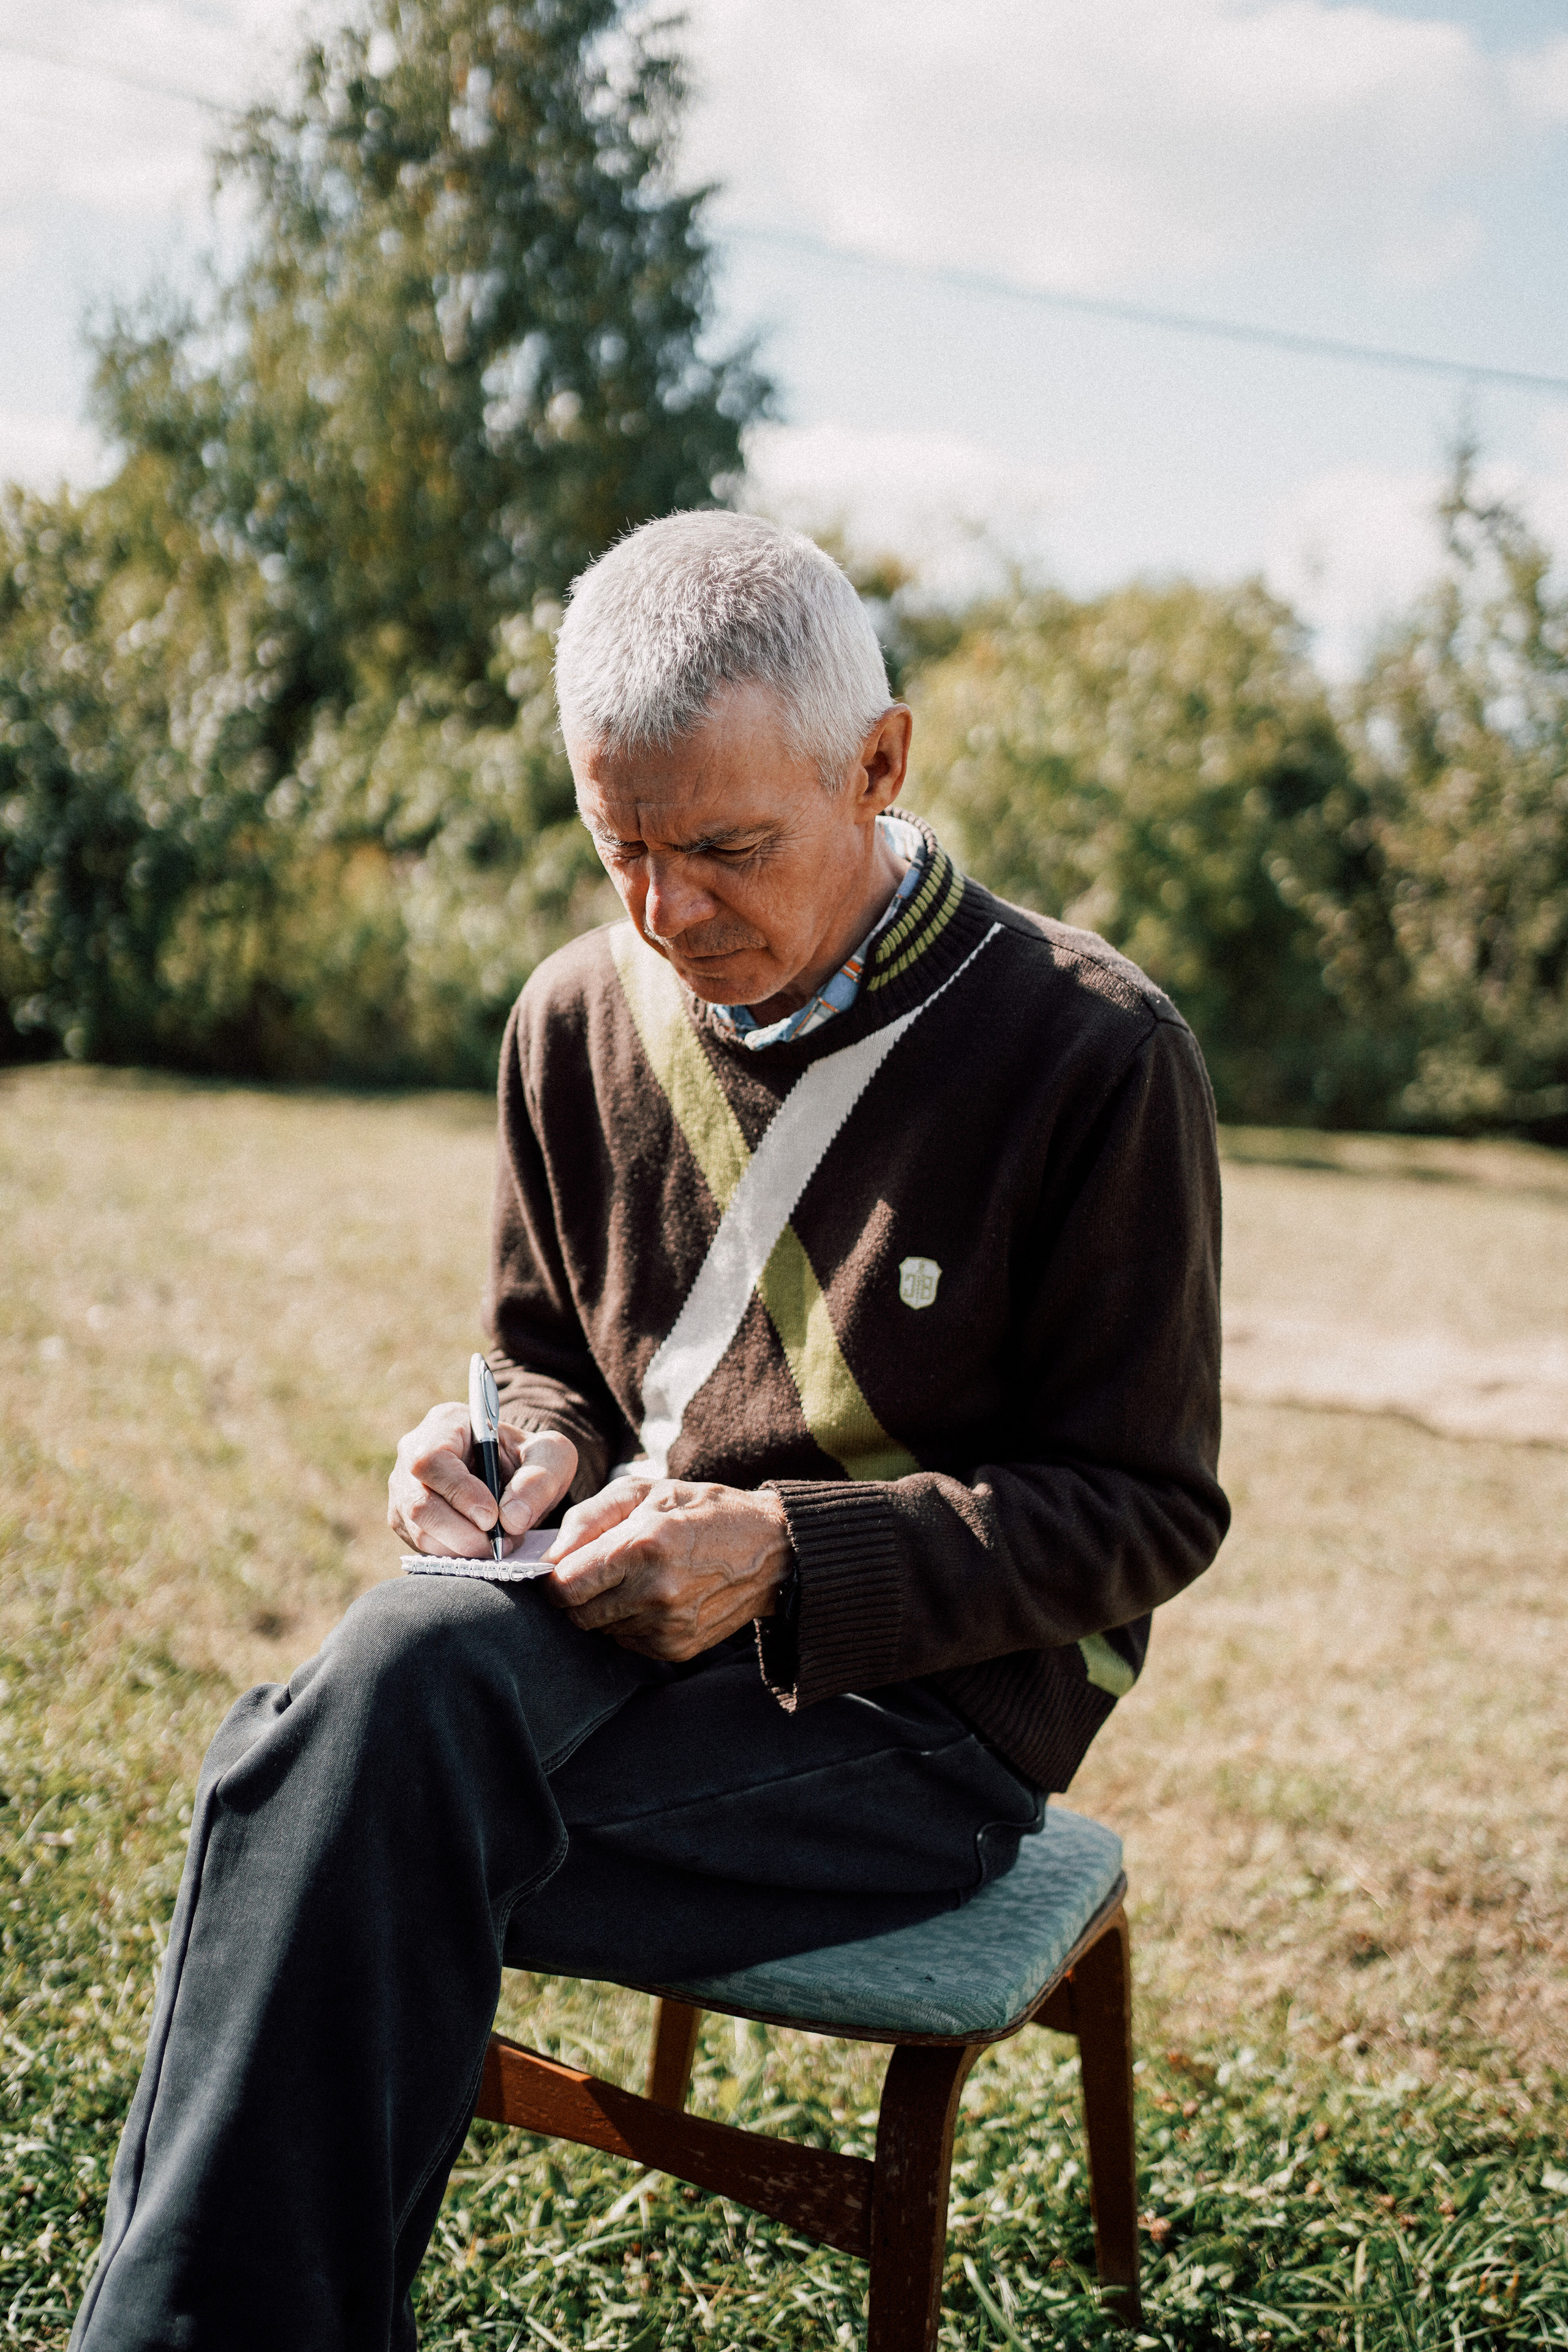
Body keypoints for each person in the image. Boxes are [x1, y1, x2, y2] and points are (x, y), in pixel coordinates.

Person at [72, 513, 1228, 2351]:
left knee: (311, 1783)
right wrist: (506, 1444)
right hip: (594, 1640)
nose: (669, 914)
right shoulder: (569, 1017)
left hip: (919, 1735)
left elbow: (1146, 1512)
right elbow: (542, 1353)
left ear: (879, 763)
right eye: (623, 851)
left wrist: (785, 1553)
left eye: (729, 848)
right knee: (381, 1704)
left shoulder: (1090, 1050)